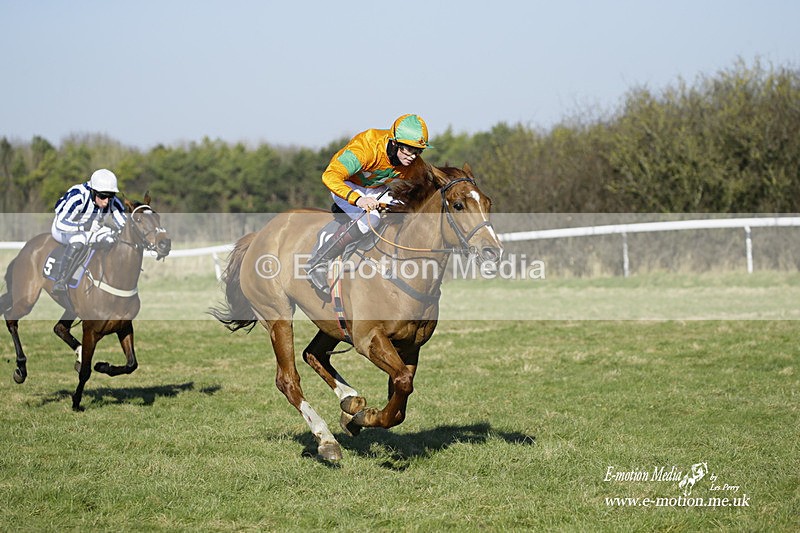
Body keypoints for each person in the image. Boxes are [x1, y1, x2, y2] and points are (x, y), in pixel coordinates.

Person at [307, 114, 431, 293]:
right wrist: (358, 199)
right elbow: (329, 176)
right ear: (395, 143)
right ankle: (319, 261)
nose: (413, 156)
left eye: (418, 151)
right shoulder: (366, 148)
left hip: (375, 188)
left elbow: (427, 185)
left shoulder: (413, 163)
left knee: (404, 210)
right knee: (371, 220)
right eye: (409, 150)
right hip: (346, 185)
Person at [50, 168, 127, 294]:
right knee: (79, 239)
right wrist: (84, 227)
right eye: (102, 196)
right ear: (93, 192)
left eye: (110, 196)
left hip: (91, 230)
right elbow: (61, 223)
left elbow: (123, 223)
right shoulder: (78, 196)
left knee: (110, 239)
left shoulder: (110, 200)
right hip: (65, 230)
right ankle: (61, 280)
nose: (106, 201)